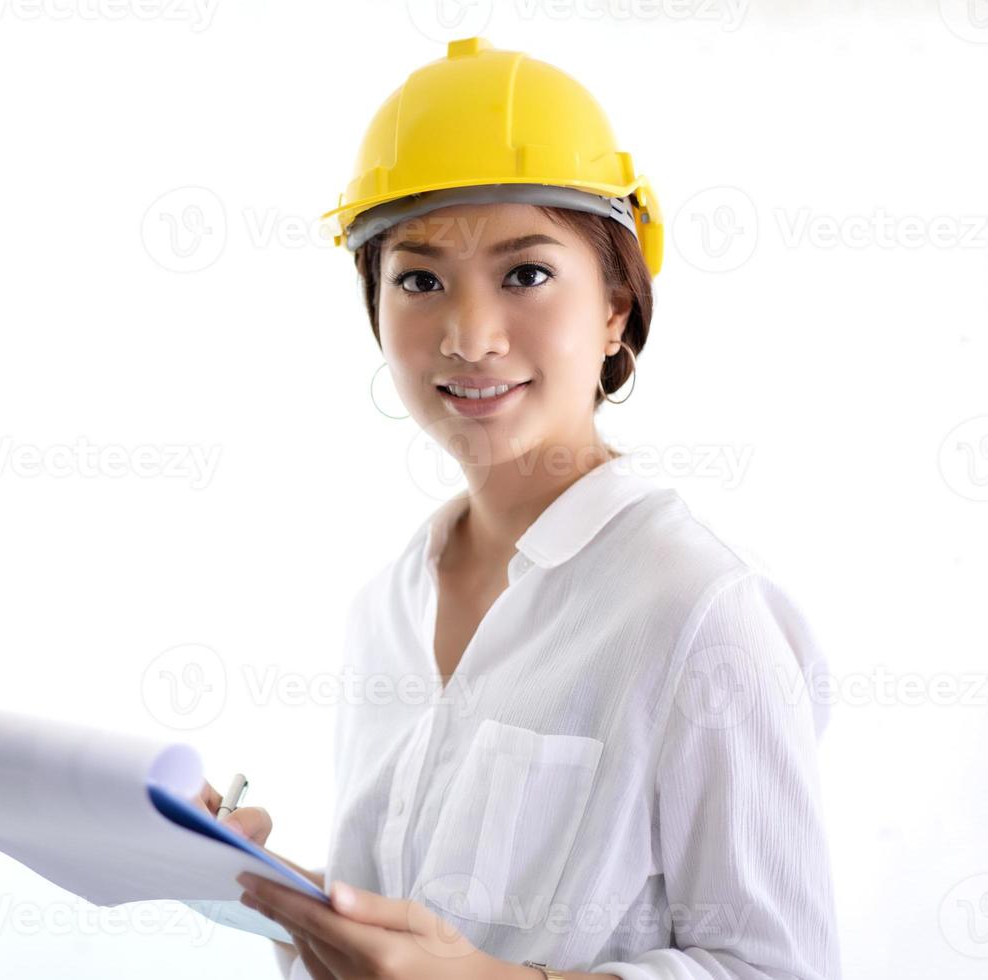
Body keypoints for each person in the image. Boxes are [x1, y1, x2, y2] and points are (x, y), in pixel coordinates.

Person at [201, 38, 842, 980]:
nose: (469, 336)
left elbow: (784, 970)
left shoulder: (699, 610)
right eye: (419, 280)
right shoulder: (384, 609)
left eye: (527, 274)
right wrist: (283, 900)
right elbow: (427, 926)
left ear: (618, 305)